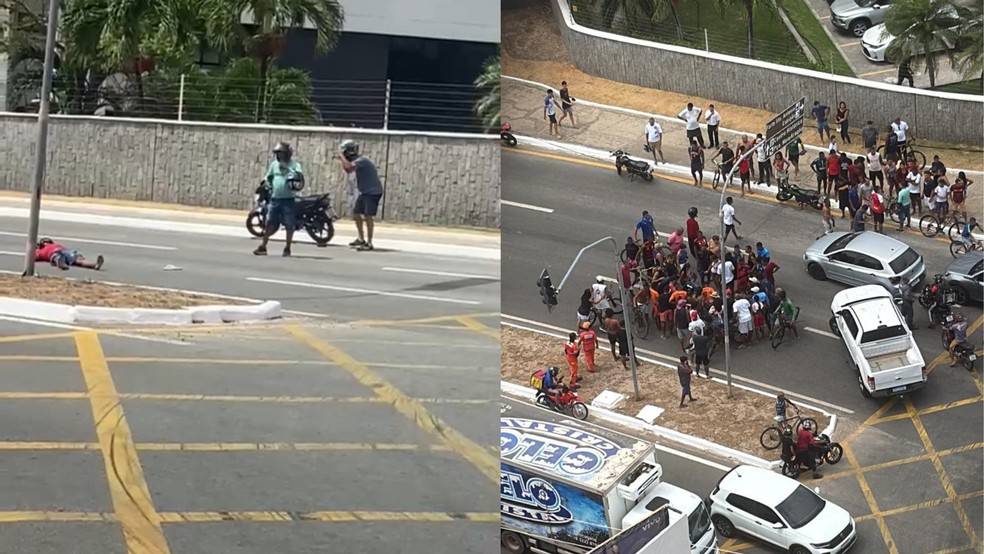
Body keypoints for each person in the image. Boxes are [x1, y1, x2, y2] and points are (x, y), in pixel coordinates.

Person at [254, 142, 304, 256]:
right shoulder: (274, 165)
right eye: (278, 153)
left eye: (281, 153)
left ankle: (287, 248)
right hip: (275, 198)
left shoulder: (294, 165)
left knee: (289, 225)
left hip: (288, 199)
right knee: (269, 222)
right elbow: (268, 177)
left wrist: (288, 169)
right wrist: (265, 184)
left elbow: (299, 177)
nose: (279, 156)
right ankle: (263, 246)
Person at [339, 140, 384, 252]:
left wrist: (341, 157)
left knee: (368, 216)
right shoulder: (357, 161)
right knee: (356, 214)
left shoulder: (362, 160)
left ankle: (369, 242)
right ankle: (361, 238)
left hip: (373, 192)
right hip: (364, 192)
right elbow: (347, 169)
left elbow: (348, 168)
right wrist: (342, 159)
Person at [34, 238, 104, 270]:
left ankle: (95, 264)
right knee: (77, 260)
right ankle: (61, 263)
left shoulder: (40, 250)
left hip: (62, 252)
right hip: (59, 252)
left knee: (78, 259)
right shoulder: (39, 250)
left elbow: (34, 257)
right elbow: (35, 257)